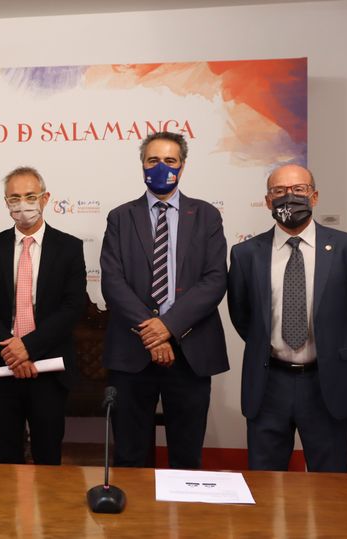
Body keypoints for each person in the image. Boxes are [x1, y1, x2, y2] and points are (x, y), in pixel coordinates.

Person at [228, 164, 347, 472]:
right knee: (264, 484)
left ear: (314, 196)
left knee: (332, 486)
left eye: (298, 190)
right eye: (279, 191)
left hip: (327, 382)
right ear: (268, 201)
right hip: (269, 384)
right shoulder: (245, 253)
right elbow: (242, 315)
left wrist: (334, 345)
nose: (289, 197)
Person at [100, 132, 228, 469]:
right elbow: (113, 282)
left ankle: (183, 507)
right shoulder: (120, 217)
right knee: (130, 456)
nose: (161, 167)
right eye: (153, 160)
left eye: (170, 161)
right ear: (142, 164)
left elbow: (215, 280)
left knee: (186, 456)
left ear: (182, 167)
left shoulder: (206, 216)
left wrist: (168, 327)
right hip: (132, 353)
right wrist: (152, 333)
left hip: (190, 352)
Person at [0, 166, 87, 465]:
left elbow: (72, 306)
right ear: (6, 203)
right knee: (4, 459)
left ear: (45, 199)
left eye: (30, 196)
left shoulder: (69, 247)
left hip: (48, 368)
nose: (22, 204)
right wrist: (13, 348)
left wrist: (29, 347)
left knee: (47, 459)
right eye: (14, 198)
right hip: (0, 364)